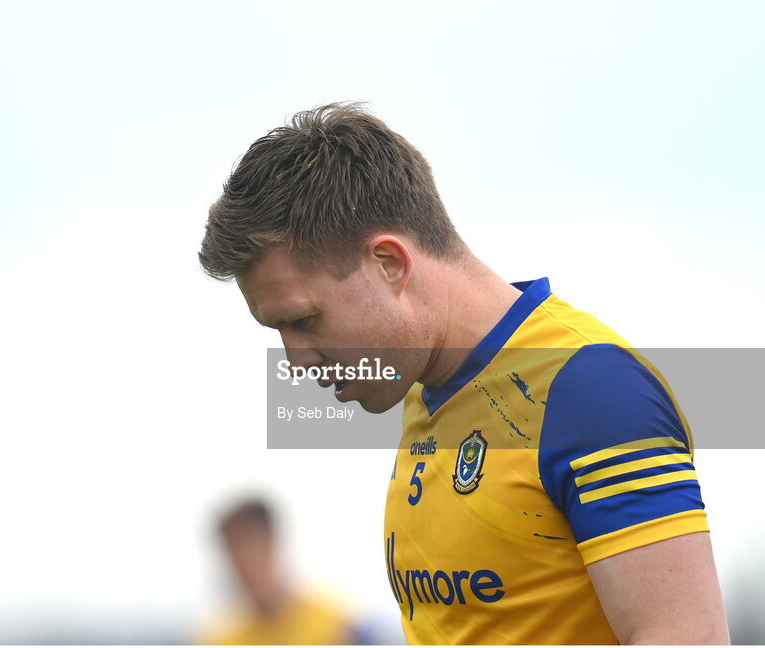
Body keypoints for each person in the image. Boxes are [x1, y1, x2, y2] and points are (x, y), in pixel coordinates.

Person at [198, 102, 729, 644]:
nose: (294, 360)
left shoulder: (587, 388)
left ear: (389, 264)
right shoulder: (424, 388)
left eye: (306, 319)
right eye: (278, 331)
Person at [200, 497, 356, 645]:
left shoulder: (335, 626)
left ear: (271, 541)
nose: (242, 560)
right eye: (231, 548)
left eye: (246, 544)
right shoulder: (220, 639)